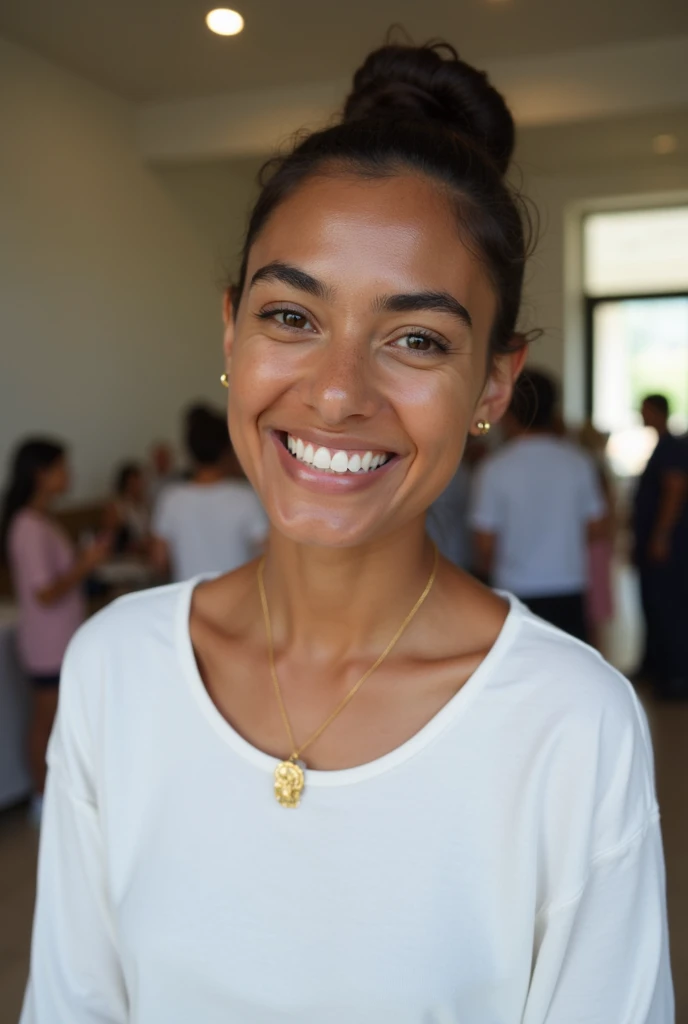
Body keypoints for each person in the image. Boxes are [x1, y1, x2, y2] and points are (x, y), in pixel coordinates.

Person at [22, 42, 672, 1024]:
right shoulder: (117, 667)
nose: (335, 392)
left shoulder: (571, 723)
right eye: (291, 315)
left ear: (494, 382)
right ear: (232, 330)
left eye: (416, 338)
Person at [0, 439, 110, 824]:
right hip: (47, 643)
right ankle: (41, 798)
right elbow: (45, 592)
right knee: (46, 720)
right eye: (62, 468)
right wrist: (87, 563)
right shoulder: (28, 527)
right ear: (40, 474)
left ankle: (57, 794)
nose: (69, 476)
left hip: (60, 638)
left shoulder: (41, 521)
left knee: (59, 719)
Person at [470, 369, 607, 642]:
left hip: (514, 586)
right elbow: (595, 526)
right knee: (569, 669)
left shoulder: (495, 467)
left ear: (507, 410)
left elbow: (485, 542)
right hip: (569, 583)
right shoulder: (578, 462)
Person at [151, 405, 267, 580]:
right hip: (239, 599)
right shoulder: (246, 497)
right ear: (227, 450)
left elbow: (159, 560)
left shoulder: (171, 499)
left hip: (190, 600)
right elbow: (268, 555)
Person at [633, 393, 688, 698]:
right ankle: (656, 666)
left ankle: (676, 675)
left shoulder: (672, 447)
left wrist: (661, 536)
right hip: (654, 543)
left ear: (656, 412)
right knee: (653, 605)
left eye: (644, 411)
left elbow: (674, 490)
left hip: (667, 547)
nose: (641, 416)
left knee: (669, 607)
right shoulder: (663, 445)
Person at [103, 462, 150, 556]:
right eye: (133, 483)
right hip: (127, 553)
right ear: (125, 484)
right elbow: (109, 536)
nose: (137, 486)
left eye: (139, 482)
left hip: (146, 549)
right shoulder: (116, 506)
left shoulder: (144, 505)